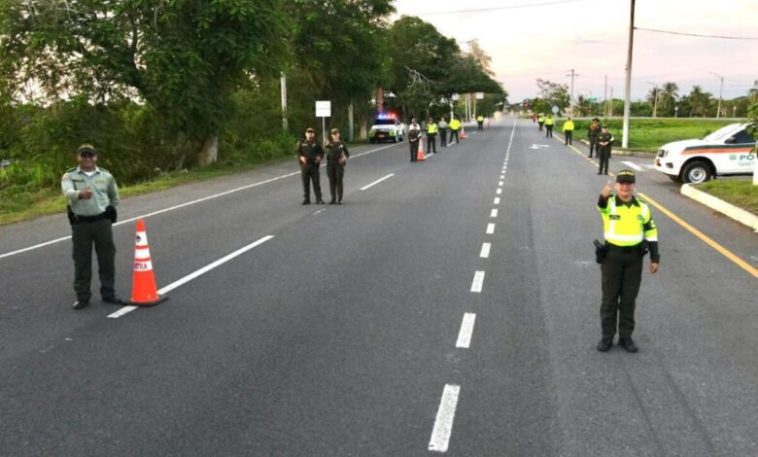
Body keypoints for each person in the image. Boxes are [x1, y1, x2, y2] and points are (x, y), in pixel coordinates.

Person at [595, 170, 660, 353]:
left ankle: (626, 338)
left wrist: (655, 258)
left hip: (634, 258)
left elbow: (651, 233)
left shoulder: (643, 208)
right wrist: (603, 195)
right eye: (621, 183)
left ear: (634, 186)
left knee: (629, 300)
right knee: (609, 300)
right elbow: (601, 205)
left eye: (629, 183)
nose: (625, 187)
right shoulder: (610, 204)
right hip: (612, 258)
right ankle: (607, 337)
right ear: (616, 186)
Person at [61, 144, 122, 310]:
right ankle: (82, 297)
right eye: (84, 155)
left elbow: (114, 196)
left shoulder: (106, 175)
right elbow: (67, 192)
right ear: (78, 158)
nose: (87, 158)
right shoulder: (70, 176)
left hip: (102, 223)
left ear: (96, 157)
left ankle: (108, 293)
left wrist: (109, 207)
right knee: (81, 261)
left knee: (107, 259)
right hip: (81, 225)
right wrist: (80, 194)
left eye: (90, 155)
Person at [297, 127, 325, 204]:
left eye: (311, 132)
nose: (310, 134)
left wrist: (319, 157)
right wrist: (301, 157)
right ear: (306, 134)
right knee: (305, 183)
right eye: (308, 132)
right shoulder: (302, 143)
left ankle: (319, 198)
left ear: (313, 134)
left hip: (314, 165)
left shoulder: (316, 143)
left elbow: (322, 152)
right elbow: (298, 152)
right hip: (305, 166)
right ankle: (306, 199)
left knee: (316, 183)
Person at [325, 128, 350, 205]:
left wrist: (344, 158)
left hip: (339, 164)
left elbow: (347, 154)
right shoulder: (330, 144)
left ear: (338, 134)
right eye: (333, 134)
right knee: (332, 181)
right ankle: (333, 198)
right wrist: (325, 143)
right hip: (330, 165)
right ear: (332, 136)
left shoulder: (342, 144)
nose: (335, 135)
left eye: (336, 134)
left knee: (339, 181)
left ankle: (340, 199)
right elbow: (324, 149)